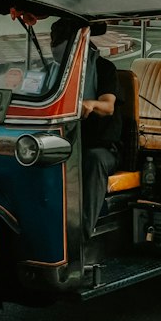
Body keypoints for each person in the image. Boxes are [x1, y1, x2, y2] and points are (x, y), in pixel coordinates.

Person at [50, 18, 121, 237]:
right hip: (66, 141)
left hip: (101, 146)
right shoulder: (54, 71)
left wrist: (90, 104)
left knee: (93, 160)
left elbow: (108, 105)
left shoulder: (104, 68)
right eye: (54, 40)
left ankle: (81, 233)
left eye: (61, 40)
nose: (55, 46)